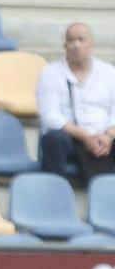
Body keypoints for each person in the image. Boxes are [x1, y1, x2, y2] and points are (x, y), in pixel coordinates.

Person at [37, 22, 115, 181]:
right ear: (65, 45)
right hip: (70, 138)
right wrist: (86, 137)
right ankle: (54, 192)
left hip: (105, 138)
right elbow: (50, 115)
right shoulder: (50, 73)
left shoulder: (109, 73)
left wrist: (108, 136)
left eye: (81, 40)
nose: (76, 45)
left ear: (92, 44)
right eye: (71, 40)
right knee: (53, 139)